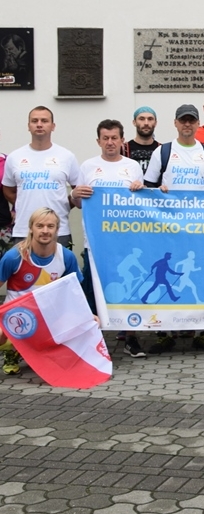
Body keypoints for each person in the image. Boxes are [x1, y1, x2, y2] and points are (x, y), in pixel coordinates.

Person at [143, 104, 204, 353]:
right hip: (169, 229)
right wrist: (159, 191)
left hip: (200, 229)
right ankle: (164, 333)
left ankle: (202, 332)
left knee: (203, 277)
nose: (187, 125)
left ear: (198, 124)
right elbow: (147, 189)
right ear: (175, 124)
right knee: (167, 279)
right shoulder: (163, 152)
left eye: (191, 121)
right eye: (183, 121)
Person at [71, 119, 145, 358]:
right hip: (94, 244)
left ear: (123, 140)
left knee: (128, 291)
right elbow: (80, 204)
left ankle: (131, 338)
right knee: (92, 292)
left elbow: (141, 205)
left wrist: (139, 188)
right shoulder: (88, 166)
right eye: (106, 138)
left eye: (115, 138)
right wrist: (74, 195)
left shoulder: (132, 166)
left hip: (125, 243)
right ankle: (92, 342)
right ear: (98, 141)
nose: (110, 142)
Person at [0, 207, 83, 375]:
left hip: (48, 315)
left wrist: (88, 316)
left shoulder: (66, 257)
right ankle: (11, 351)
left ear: (57, 229)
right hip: (17, 317)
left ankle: (41, 352)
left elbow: (75, 293)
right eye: (40, 226)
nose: (45, 231)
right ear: (31, 228)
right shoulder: (14, 257)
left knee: (87, 324)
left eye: (50, 226)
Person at [2, 106, 80, 247]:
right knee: (23, 270)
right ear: (28, 126)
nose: (39, 124)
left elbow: (78, 191)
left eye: (44, 121)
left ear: (53, 126)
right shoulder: (15, 157)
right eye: (35, 121)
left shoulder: (66, 156)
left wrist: (63, 205)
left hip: (58, 231)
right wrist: (22, 203)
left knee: (60, 269)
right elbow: (8, 190)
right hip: (23, 231)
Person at [123, 107, 159, 171]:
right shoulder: (124, 149)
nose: (146, 123)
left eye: (150, 119)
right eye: (141, 119)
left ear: (155, 123)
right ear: (134, 122)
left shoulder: (162, 150)